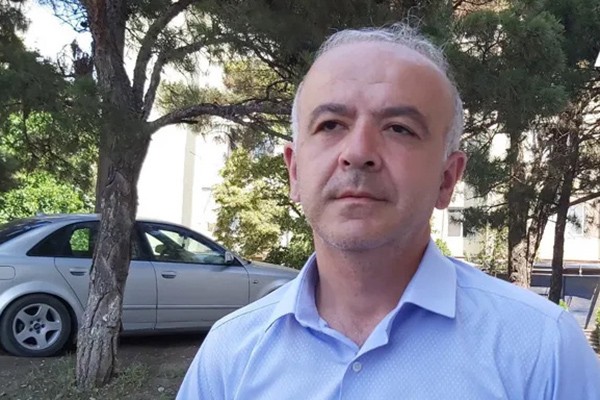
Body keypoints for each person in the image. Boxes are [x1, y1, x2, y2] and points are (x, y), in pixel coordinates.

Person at [177, 24, 600, 399]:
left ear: (447, 179)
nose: (358, 152)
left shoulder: (543, 352)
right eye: (330, 125)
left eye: (399, 128)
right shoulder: (229, 355)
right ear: (294, 171)